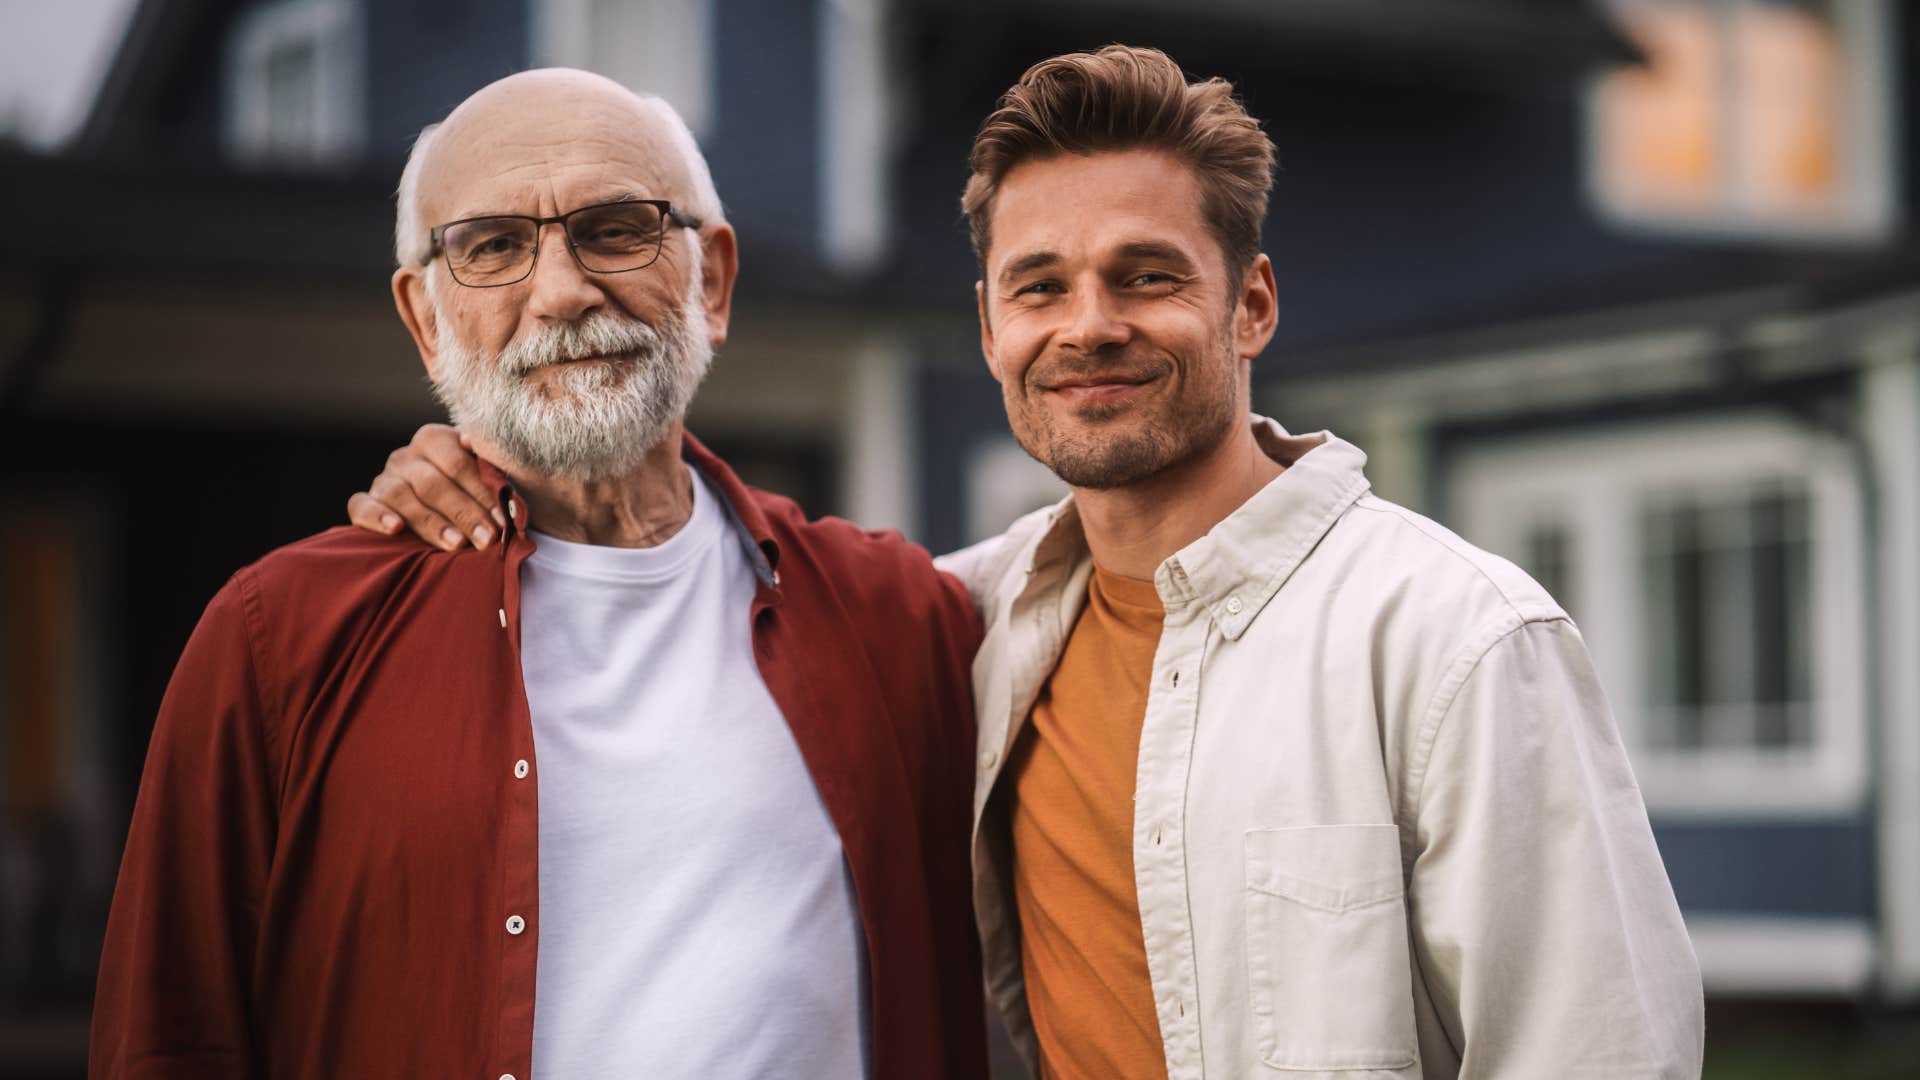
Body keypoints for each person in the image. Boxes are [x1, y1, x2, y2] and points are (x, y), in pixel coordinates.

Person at [351, 47, 1705, 1079]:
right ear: (991, 323)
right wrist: (485, 464)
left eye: (1148, 276)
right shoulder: (967, 620)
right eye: (1042, 285)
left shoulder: (1452, 642)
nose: (1091, 326)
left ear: (1252, 303)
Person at [92, 69, 986, 1080]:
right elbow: (167, 1044)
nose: (560, 293)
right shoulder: (278, 639)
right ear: (426, 319)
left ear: (715, 282)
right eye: (492, 247)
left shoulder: (902, 617)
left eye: (615, 229)